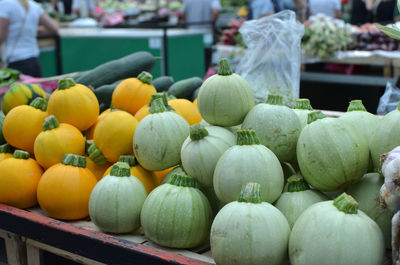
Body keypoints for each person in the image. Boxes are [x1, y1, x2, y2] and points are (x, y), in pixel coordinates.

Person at [0, 0, 59, 77]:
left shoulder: (5, 4)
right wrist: (34, 29)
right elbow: (54, 29)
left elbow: (1, 37)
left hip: (15, 63)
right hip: (34, 62)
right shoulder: (33, 5)